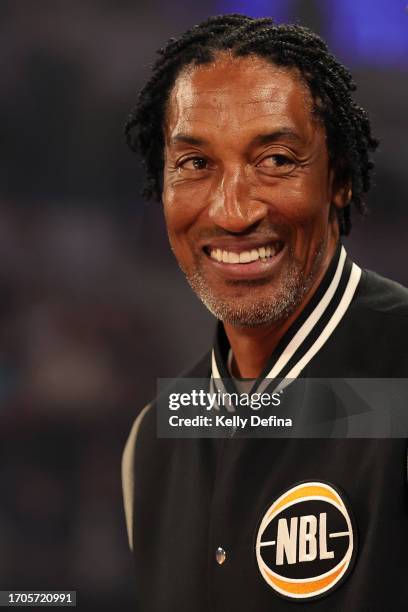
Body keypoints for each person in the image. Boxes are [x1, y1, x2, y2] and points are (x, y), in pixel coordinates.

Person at [122, 14, 408, 611]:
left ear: (341, 180)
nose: (232, 212)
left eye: (276, 159)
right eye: (195, 164)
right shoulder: (154, 439)